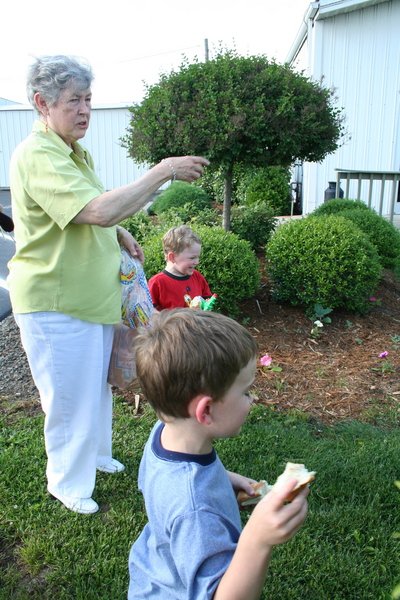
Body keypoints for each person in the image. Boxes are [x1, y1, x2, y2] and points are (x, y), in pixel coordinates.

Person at [7, 54, 209, 515]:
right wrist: (163, 170)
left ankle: (95, 456)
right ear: (42, 103)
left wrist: (117, 230)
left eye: (88, 99)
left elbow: (90, 210)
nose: (84, 110)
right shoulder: (39, 154)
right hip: (55, 301)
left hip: (87, 298)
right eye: (73, 101)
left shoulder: (74, 153)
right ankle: (67, 483)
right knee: (69, 398)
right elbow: (96, 210)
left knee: (93, 390)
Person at [128, 309, 309, 599]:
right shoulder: (195, 512)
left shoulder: (165, 432)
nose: (252, 400)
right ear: (207, 411)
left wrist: (223, 479)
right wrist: (257, 538)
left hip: (158, 570)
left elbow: (174, 477)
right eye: (246, 392)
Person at [148, 225, 212, 310]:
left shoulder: (197, 277)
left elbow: (207, 301)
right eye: (192, 258)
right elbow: (149, 312)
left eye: (198, 257)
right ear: (172, 257)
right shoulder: (157, 283)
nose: (197, 262)